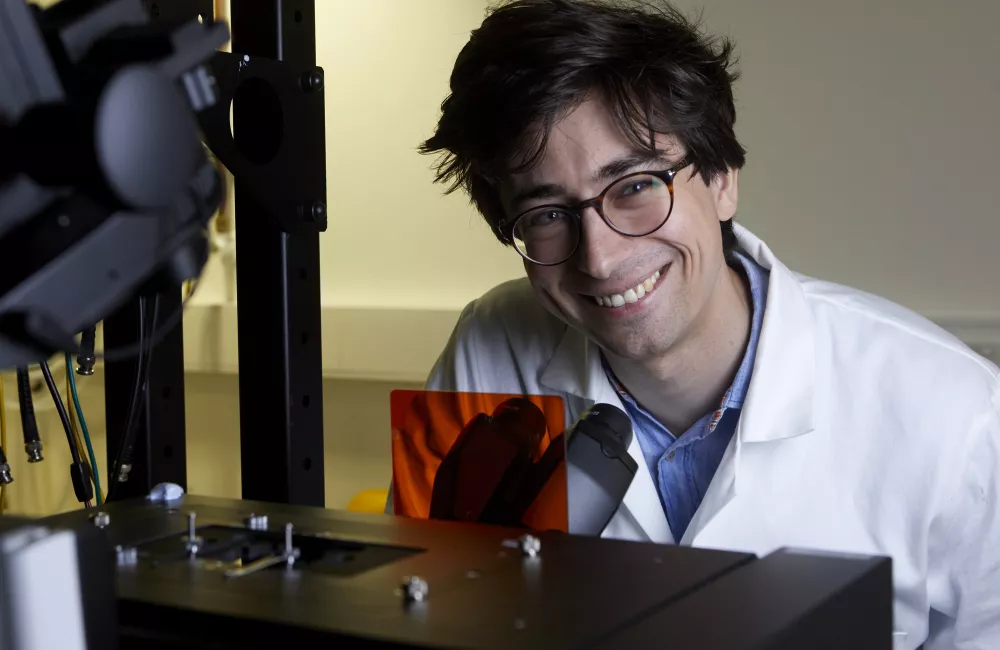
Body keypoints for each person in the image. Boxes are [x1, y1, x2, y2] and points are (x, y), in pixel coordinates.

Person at [388, 1, 1000, 648]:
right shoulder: (489, 346)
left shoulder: (959, 418)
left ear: (722, 178)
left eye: (635, 185)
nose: (601, 257)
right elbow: (423, 617)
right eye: (546, 213)